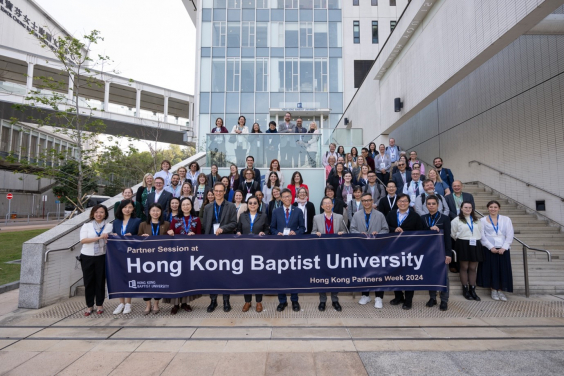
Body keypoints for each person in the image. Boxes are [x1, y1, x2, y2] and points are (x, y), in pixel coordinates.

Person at [202, 182, 238, 312]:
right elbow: (205, 226)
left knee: (225, 273)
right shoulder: (208, 207)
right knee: (212, 273)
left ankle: (226, 301)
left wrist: (223, 228)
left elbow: (234, 223)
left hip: (225, 244)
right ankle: (213, 301)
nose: (218, 193)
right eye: (216, 191)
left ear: (224, 192)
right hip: (211, 245)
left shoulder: (231, 206)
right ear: (213, 192)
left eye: (220, 191)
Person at [386, 194, 425, 310]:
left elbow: (420, 231)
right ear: (397, 202)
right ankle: (398, 296)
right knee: (394, 274)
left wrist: (405, 231)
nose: (402, 203)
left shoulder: (415, 216)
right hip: (393, 250)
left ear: (409, 203)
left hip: (409, 251)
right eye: (400, 201)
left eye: (405, 201)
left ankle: (408, 300)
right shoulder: (391, 214)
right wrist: (394, 229)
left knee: (409, 275)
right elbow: (386, 227)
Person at [352, 193, 390, 309]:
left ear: (372, 201)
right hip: (362, 248)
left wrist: (378, 234)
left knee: (378, 273)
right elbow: (352, 229)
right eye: (364, 201)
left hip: (377, 248)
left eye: (368, 200)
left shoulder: (379, 215)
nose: (366, 203)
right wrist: (359, 234)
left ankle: (379, 297)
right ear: (361, 202)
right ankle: (365, 295)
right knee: (364, 273)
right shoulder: (357, 215)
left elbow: (386, 229)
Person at [270, 188, 305, 312]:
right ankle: (282, 301)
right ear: (280, 198)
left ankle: (294, 301)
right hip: (280, 247)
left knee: (293, 274)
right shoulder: (276, 211)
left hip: (294, 247)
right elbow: (272, 228)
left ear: (292, 197)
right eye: (284, 197)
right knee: (281, 275)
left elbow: (303, 228)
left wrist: (296, 232)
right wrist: (276, 233)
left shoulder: (298, 211)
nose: (287, 199)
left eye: (288, 196)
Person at [166, 197, 201, 314]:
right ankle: (175, 304)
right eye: (184, 205)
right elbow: (170, 234)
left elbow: (201, 236)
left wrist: (195, 235)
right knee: (177, 278)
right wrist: (170, 233)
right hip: (177, 253)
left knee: (187, 278)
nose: (186, 206)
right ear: (181, 207)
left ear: (191, 206)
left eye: (188, 204)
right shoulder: (175, 219)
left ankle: (185, 303)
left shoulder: (197, 219)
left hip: (190, 254)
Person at [312, 197, 346, 311]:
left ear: (332, 205)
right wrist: (315, 233)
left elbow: (345, 231)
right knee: (322, 276)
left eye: (329, 203)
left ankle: (335, 300)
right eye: (325, 204)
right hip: (322, 251)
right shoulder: (316, 218)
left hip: (336, 251)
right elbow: (313, 232)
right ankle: (322, 301)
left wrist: (342, 233)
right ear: (322, 206)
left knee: (335, 276)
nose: (327, 205)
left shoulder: (339, 217)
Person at [236, 195, 269, 313]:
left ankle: (259, 301)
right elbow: (238, 229)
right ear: (247, 204)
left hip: (259, 250)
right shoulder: (242, 216)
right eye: (250, 203)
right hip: (245, 250)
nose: (253, 205)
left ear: (258, 204)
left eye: (255, 203)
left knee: (258, 276)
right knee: (247, 276)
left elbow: (267, 230)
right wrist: (238, 232)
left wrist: (264, 233)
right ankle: (247, 301)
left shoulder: (263, 216)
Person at [138, 203, 171, 314]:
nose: (155, 213)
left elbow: (171, 241)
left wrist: (171, 234)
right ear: (149, 212)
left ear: (161, 212)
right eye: (153, 210)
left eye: (157, 210)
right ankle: (148, 305)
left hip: (161, 258)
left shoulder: (166, 224)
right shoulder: (143, 224)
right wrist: (141, 238)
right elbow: (137, 240)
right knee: (146, 280)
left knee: (159, 281)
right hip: (146, 258)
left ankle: (156, 304)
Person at [478, 200, 514, 302]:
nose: (493, 209)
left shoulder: (506, 219)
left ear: (499, 208)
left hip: (503, 248)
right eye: (491, 207)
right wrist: (490, 247)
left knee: (503, 269)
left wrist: (504, 247)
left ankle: (501, 290)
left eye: (495, 207)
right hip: (489, 248)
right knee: (491, 269)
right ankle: (493, 290)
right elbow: (482, 235)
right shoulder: (483, 220)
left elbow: (510, 234)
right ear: (488, 208)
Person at [79, 204, 112, 316]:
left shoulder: (109, 226)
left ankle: (99, 305)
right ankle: (89, 306)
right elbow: (83, 240)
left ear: (105, 214)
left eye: (102, 212)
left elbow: (112, 238)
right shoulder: (86, 226)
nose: (99, 214)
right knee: (88, 282)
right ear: (93, 213)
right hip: (87, 256)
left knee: (100, 281)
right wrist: (99, 238)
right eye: (96, 212)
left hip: (102, 256)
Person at [421, 195, 452, 311]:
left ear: (438, 205)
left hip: (441, 252)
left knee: (444, 277)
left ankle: (444, 300)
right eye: (429, 204)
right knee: (430, 275)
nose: (431, 206)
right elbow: (419, 235)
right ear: (426, 205)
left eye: (433, 203)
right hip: (428, 253)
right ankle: (432, 298)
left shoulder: (444, 218)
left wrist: (448, 253)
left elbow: (448, 237)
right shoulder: (423, 218)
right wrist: (429, 229)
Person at [110, 199, 141, 315]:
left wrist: (132, 236)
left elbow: (140, 237)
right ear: (121, 208)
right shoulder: (116, 222)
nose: (127, 209)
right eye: (125, 207)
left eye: (129, 207)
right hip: (118, 253)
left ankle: (128, 303)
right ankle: (121, 303)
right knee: (119, 277)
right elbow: (113, 235)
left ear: (133, 209)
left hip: (131, 252)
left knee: (129, 277)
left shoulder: (137, 221)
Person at [451, 202, 483, 301]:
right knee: (464, 267)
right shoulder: (456, 220)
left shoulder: (477, 220)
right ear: (461, 208)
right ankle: (465, 289)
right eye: (465, 207)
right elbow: (453, 233)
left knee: (473, 267)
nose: (468, 209)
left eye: (470, 207)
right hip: (463, 244)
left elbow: (480, 232)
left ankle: (472, 289)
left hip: (475, 243)